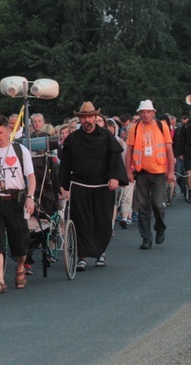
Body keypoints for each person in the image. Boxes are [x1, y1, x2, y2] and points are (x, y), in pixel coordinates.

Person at [58, 102, 127, 270]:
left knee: (101, 220)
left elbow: (115, 158)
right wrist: (63, 186)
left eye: (90, 116)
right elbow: (66, 164)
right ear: (80, 119)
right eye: (84, 117)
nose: (87, 120)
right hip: (80, 185)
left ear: (95, 117)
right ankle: (82, 256)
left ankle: (100, 252)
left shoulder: (106, 136)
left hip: (103, 185)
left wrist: (115, 177)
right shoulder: (72, 138)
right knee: (81, 221)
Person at [0, 115, 36, 294]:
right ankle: (0, 281)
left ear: (9, 131)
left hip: (16, 199)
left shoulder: (20, 150)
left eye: (0, 132)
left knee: (19, 240)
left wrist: (30, 197)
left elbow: (31, 176)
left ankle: (19, 267)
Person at [124, 100, 174, 250]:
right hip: (141, 172)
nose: (145, 115)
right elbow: (129, 152)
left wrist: (170, 171)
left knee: (158, 204)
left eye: (148, 112)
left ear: (153, 113)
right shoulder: (134, 128)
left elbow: (169, 151)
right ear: (139, 114)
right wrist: (128, 171)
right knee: (143, 206)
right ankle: (146, 238)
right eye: (142, 112)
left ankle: (160, 227)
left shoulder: (162, 126)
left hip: (158, 171)